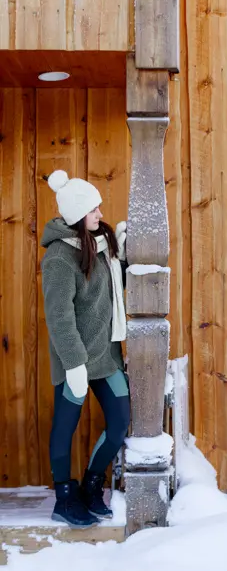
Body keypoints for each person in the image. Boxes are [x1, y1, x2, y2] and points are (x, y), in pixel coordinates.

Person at [41, 170, 130, 528]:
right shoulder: (60, 258)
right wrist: (74, 363)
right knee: (65, 427)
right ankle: (65, 497)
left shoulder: (98, 244)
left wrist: (122, 259)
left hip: (106, 357)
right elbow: (59, 316)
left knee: (120, 422)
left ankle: (93, 486)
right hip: (75, 359)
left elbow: (108, 292)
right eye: (93, 208)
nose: (100, 212)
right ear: (78, 215)